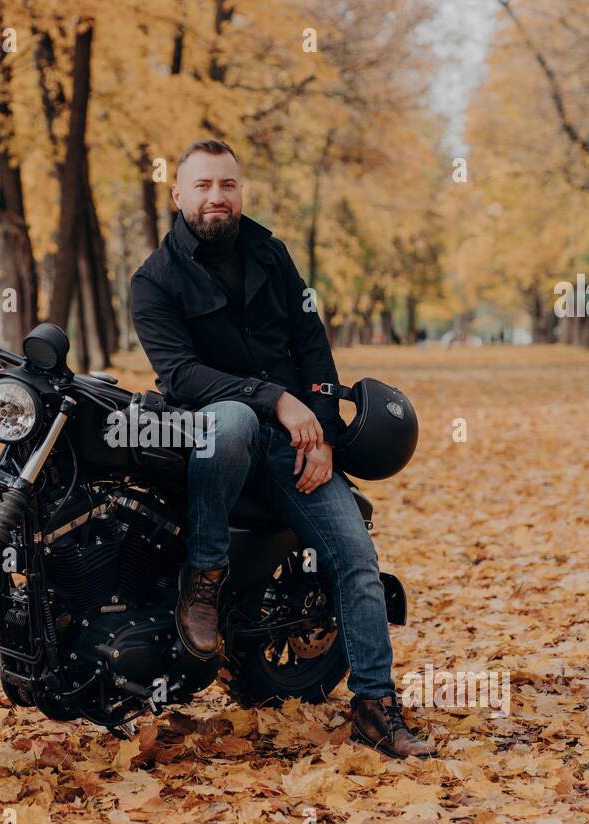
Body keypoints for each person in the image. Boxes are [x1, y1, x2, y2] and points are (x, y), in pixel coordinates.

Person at [129, 139, 435, 759]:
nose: (218, 197)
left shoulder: (273, 255)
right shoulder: (152, 281)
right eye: (204, 186)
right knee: (235, 419)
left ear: (240, 192)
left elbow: (313, 345)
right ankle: (205, 577)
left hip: (296, 447)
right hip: (215, 443)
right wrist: (274, 397)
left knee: (358, 561)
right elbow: (181, 376)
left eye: (229, 185)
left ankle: (375, 708)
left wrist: (319, 427)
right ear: (178, 195)